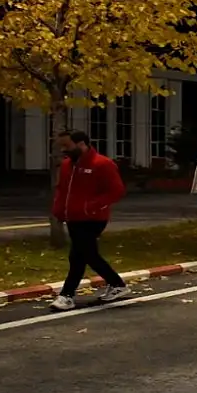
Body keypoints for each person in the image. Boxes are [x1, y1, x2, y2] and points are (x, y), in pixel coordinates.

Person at [49, 130, 129, 312]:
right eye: (61, 146)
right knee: (86, 255)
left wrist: (91, 206)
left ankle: (66, 295)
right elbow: (62, 190)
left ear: (82, 143)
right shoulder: (67, 165)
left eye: (67, 146)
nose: (64, 150)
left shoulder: (102, 164)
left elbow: (116, 191)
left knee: (78, 255)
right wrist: (58, 211)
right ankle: (117, 284)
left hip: (93, 218)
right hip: (73, 218)